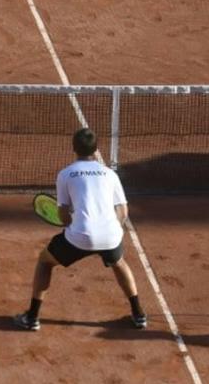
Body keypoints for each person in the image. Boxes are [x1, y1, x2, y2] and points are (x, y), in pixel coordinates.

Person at [14, 128, 147, 331]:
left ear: (73, 148)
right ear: (96, 150)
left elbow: (64, 215)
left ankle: (32, 317)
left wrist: (75, 226)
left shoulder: (65, 174)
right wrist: (113, 230)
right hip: (111, 235)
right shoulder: (110, 174)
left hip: (80, 236)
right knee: (119, 262)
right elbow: (123, 210)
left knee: (45, 261)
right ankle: (139, 315)